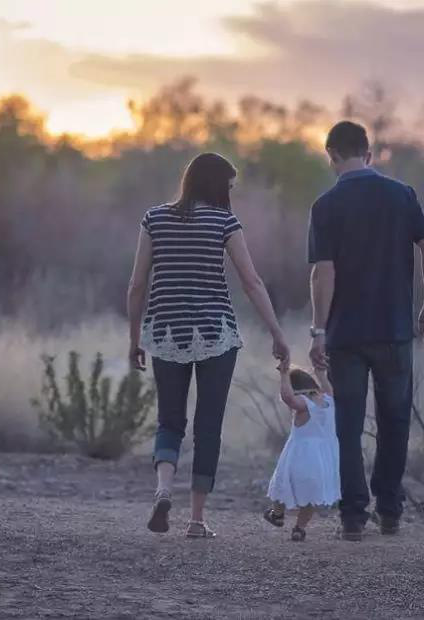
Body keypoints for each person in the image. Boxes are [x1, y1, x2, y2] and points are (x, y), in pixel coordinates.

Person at [127, 152, 290, 539]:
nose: (230, 194)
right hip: (216, 334)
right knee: (208, 425)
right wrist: (277, 333)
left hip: (166, 332)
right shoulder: (224, 222)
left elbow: (137, 284)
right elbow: (252, 282)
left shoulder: (154, 219)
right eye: (229, 187)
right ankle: (196, 520)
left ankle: (163, 490)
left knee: (169, 420)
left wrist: (135, 339)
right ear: (216, 185)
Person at [307, 121, 424, 541]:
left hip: (346, 335)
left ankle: (352, 517)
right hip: (394, 330)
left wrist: (318, 330)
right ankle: (389, 512)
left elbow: (323, 273)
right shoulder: (402, 195)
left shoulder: (325, 205)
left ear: (332, 155)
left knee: (347, 426)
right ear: (368, 154)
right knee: (394, 421)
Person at [262, 360, 341, 541]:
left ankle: (277, 514)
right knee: (310, 496)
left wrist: (284, 375)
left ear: (296, 390)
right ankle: (299, 528)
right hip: (323, 460)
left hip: (300, 457)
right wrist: (320, 373)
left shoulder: (304, 405)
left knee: (282, 484)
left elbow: (288, 398)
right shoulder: (329, 400)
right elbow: (327, 387)